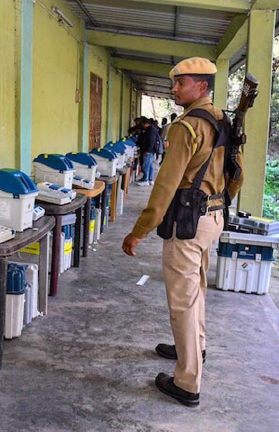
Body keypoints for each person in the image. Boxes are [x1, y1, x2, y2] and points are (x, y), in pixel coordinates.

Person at [122, 57, 244, 407]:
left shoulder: (186, 127)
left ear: (201, 86)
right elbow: (237, 172)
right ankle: (194, 348)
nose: (174, 88)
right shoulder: (222, 120)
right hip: (214, 215)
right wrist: (218, 203)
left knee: (182, 301)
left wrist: (139, 230)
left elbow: (165, 185)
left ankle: (187, 382)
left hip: (188, 221)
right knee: (196, 292)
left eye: (181, 83)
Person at [135, 118, 157, 185]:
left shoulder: (150, 130)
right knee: (150, 165)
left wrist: (148, 150)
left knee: (146, 165)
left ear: (146, 124)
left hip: (149, 150)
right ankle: (150, 179)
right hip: (150, 150)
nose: (142, 126)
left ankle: (145, 180)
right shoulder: (151, 129)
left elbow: (151, 141)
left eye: (142, 124)